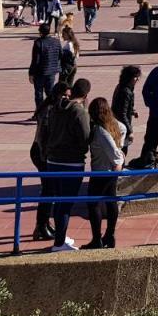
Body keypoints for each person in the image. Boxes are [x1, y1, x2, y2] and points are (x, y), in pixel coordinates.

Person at [44, 77, 92, 251]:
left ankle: (61, 237)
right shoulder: (79, 112)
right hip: (71, 162)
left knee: (58, 201)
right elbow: (85, 137)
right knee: (66, 204)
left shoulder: (55, 108)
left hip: (52, 160)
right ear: (86, 94)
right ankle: (59, 243)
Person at [31, 81, 69, 241]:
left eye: (68, 96)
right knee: (48, 190)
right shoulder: (49, 110)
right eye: (64, 95)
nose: (66, 98)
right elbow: (43, 137)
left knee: (49, 189)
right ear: (56, 95)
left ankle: (44, 223)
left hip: (45, 153)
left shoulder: (55, 108)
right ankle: (40, 226)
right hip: (42, 153)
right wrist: (46, 156)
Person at [85, 96, 124, 249]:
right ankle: (110, 235)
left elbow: (114, 152)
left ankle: (97, 239)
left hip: (102, 172)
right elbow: (124, 128)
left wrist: (119, 160)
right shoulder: (113, 124)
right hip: (109, 172)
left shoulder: (101, 131)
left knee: (93, 203)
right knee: (111, 200)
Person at [28, 22, 62, 119]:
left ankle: (39, 114)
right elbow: (60, 54)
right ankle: (53, 112)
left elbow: (35, 60)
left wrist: (31, 73)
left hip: (40, 72)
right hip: (52, 71)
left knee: (39, 94)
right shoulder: (56, 41)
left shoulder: (39, 43)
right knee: (50, 92)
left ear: (40, 32)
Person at [111, 65, 142, 155]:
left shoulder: (122, 87)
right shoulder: (126, 92)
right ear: (129, 78)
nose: (137, 79)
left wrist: (132, 111)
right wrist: (130, 131)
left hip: (117, 123)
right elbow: (122, 114)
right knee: (122, 151)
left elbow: (121, 107)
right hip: (121, 126)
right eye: (135, 77)